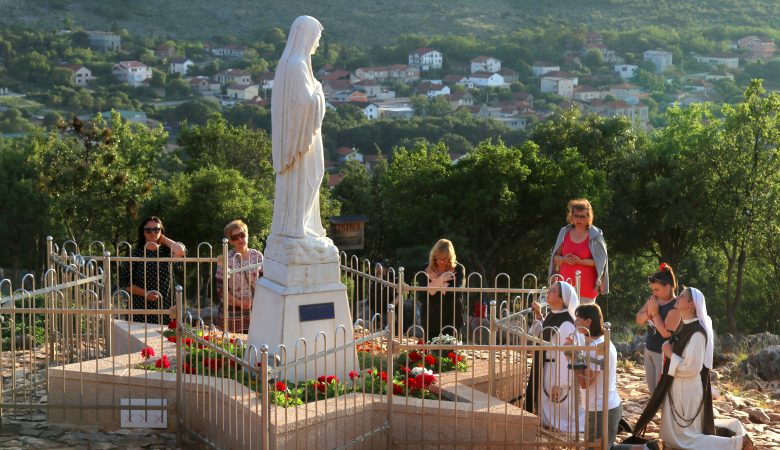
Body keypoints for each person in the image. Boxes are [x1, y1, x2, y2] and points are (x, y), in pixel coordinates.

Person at [630, 288, 750, 450]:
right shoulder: (686, 326)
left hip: (687, 390)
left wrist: (670, 353)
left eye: (682, 296)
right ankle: (733, 430)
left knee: (683, 440)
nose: (677, 297)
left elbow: (692, 368)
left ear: (692, 303)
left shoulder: (697, 333)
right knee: (670, 437)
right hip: (679, 388)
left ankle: (737, 444)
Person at [269, 15, 327, 240]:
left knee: (314, 175)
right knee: (310, 175)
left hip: (307, 135)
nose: (318, 44)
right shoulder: (297, 65)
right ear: (306, 37)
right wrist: (320, 91)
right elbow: (305, 102)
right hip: (303, 140)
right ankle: (296, 226)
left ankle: (301, 223)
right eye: (316, 38)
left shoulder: (292, 64)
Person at [574, 304, 650, 450]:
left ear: (588, 321)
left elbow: (585, 383)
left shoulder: (598, 347)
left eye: (578, 319)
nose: (575, 321)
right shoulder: (599, 342)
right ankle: (644, 448)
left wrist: (573, 360)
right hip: (603, 405)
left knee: (596, 448)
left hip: (602, 409)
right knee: (602, 447)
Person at [526, 281, 585, 433]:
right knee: (546, 410)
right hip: (546, 366)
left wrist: (560, 382)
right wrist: (539, 315)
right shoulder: (553, 314)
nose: (548, 292)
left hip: (555, 370)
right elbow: (540, 334)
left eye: (552, 291)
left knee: (558, 414)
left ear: (561, 299)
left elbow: (566, 355)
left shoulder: (566, 323)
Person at [119, 216, 185, 325]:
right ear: (143, 232)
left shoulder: (167, 252)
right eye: (148, 230)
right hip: (140, 308)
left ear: (161, 231)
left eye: (156, 229)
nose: (152, 232)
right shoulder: (135, 254)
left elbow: (180, 251)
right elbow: (125, 283)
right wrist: (146, 294)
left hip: (165, 306)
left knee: (163, 340)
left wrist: (163, 239)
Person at [549, 199, 609, 304]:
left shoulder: (595, 235)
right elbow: (555, 258)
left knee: (583, 319)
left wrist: (579, 261)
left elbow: (600, 262)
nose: (579, 219)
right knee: (564, 320)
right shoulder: (564, 232)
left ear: (588, 217)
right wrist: (564, 259)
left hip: (586, 289)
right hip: (564, 288)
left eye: (582, 216)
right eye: (576, 216)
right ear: (571, 216)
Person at [635, 263, 681, 393]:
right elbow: (638, 319)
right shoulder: (654, 299)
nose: (653, 293)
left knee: (660, 392)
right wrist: (650, 314)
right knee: (652, 391)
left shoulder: (676, 306)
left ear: (667, 287)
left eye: (656, 289)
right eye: (652, 289)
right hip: (649, 349)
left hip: (663, 354)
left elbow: (666, 333)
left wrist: (654, 314)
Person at [215, 220, 263, 334]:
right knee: (232, 348)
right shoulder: (225, 259)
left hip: (256, 311)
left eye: (242, 235)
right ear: (230, 241)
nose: (240, 239)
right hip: (231, 314)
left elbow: (266, 283)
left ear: (247, 235)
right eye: (235, 237)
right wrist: (239, 303)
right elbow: (221, 290)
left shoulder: (258, 256)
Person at [418, 239, 465, 339]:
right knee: (430, 352)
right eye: (438, 258)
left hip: (452, 316)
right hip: (430, 316)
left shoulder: (458, 269)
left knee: (451, 353)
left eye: (445, 259)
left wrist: (434, 284)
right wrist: (442, 280)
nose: (441, 262)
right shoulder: (425, 269)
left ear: (450, 257)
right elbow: (423, 295)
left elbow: (455, 293)